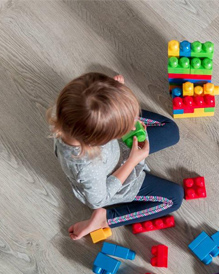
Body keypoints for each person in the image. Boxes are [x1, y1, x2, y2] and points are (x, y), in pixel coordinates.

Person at [47, 72, 183, 240]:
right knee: (174, 198)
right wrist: (132, 161)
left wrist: (108, 93)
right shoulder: (88, 168)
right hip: (117, 177)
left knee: (171, 131)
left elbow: (89, 102)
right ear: (100, 138)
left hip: (115, 147)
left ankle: (116, 109)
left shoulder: (65, 111)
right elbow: (98, 201)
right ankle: (105, 219)